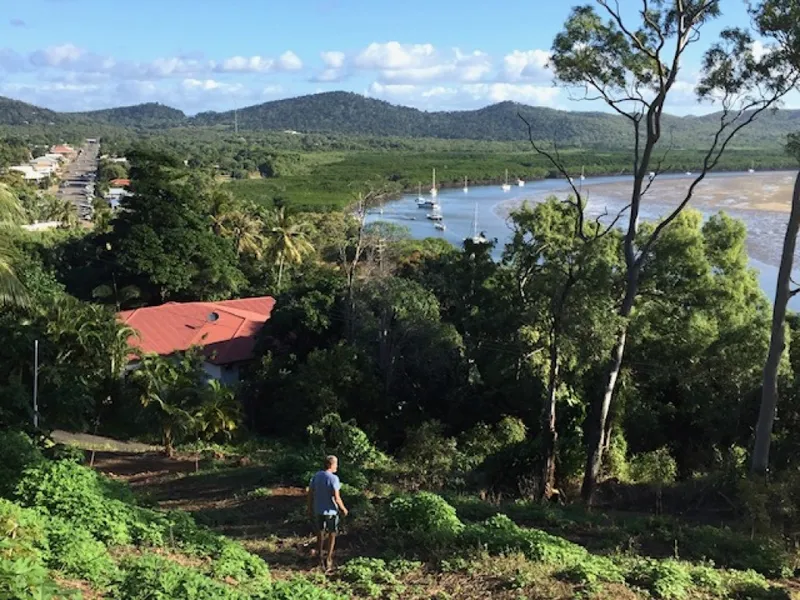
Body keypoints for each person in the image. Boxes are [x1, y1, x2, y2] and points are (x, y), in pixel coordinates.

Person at [307, 455, 348, 571]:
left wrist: (309, 508)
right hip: (331, 512)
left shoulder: (316, 476)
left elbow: (310, 493)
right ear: (331, 465)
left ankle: (319, 555)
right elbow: (336, 497)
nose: (337, 467)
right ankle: (329, 557)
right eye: (336, 464)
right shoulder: (334, 479)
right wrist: (343, 509)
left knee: (320, 533)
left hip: (318, 510)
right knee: (332, 534)